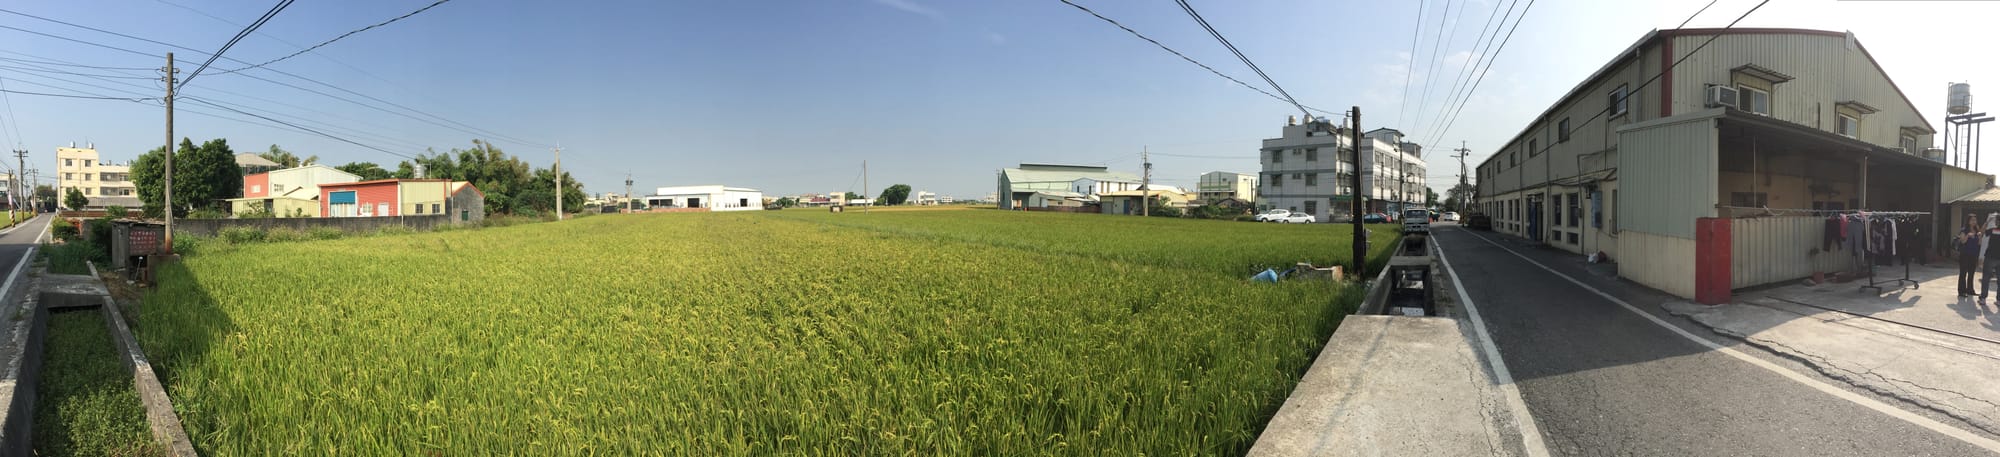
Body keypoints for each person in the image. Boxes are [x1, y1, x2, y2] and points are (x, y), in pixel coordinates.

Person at [1981, 214, 2000, 303]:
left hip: (1990, 257)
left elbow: (1982, 231)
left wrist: (1987, 221)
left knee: (1986, 278)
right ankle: (1999, 300)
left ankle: (1983, 298)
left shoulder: (1993, 230)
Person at [1960, 215, 1981, 296]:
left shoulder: (1976, 230)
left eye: (1975, 220)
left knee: (1971, 273)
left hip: (1973, 254)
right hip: (1965, 254)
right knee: (1963, 273)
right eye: (1972, 220)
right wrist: (1968, 236)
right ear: (1968, 221)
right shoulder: (1964, 230)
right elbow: (1962, 241)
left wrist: (1979, 237)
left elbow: (1979, 243)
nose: (1974, 222)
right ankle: (1962, 291)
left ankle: (1970, 290)